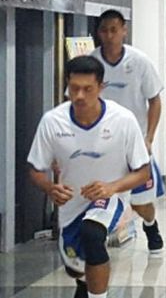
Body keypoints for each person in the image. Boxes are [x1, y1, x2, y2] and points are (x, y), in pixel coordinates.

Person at [28, 56, 150, 298]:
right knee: (77, 268)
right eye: (74, 89)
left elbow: (142, 171)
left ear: (101, 88)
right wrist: (50, 188)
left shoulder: (123, 120)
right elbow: (35, 168)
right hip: (70, 205)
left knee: (92, 234)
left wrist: (111, 187)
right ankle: (85, 285)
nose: (80, 96)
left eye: (88, 89)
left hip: (110, 198)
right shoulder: (52, 121)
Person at [90, 9, 165, 254]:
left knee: (141, 202)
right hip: (100, 148)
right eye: (104, 30)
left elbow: (154, 100)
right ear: (99, 33)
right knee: (98, 197)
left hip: (135, 147)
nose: (109, 35)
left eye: (114, 30)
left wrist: (149, 137)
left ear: (124, 30)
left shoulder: (139, 61)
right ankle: (95, 243)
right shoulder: (91, 63)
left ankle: (150, 225)